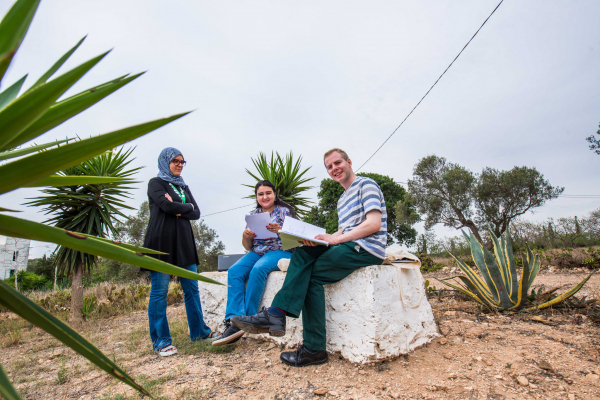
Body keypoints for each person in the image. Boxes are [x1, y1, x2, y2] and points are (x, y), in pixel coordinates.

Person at [231, 149, 387, 366]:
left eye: (338, 163)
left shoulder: (365, 185)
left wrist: (335, 240)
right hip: (348, 243)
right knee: (303, 252)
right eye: (329, 166)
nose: (334, 168)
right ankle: (279, 318)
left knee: (310, 276)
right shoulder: (342, 199)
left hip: (366, 248)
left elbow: (373, 223)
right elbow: (341, 232)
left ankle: (307, 342)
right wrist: (323, 239)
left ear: (349, 162)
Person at [143, 147, 218, 357]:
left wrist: (177, 206)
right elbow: (166, 208)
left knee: (191, 290)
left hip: (184, 244)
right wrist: (182, 206)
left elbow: (197, 213)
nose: (179, 164)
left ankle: (199, 333)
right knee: (160, 292)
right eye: (175, 161)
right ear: (165, 161)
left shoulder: (182, 186)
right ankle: (161, 341)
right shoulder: (155, 183)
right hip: (161, 245)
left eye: (182, 162)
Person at [212, 180, 295, 346]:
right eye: (261, 194)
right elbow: (248, 247)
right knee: (235, 271)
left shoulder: (284, 212)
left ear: (274, 194)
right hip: (258, 251)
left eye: (268, 193)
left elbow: (294, 240)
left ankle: (248, 319)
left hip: (280, 250)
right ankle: (232, 321)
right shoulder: (253, 215)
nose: (265, 197)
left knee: (258, 270)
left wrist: (280, 230)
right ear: (256, 197)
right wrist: (246, 237)